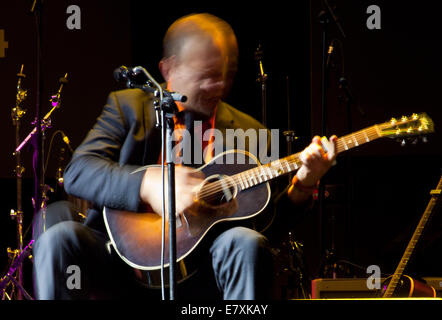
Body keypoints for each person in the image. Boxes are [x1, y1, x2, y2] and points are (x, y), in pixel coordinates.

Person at [32, 13, 337, 300]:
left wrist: (305, 184)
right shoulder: (128, 107)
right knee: (59, 239)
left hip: (200, 274)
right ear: (169, 69)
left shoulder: (248, 130)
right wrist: (146, 184)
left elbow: (270, 224)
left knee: (248, 242)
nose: (217, 86)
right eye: (206, 76)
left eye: (224, 76)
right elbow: (78, 172)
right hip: (120, 263)